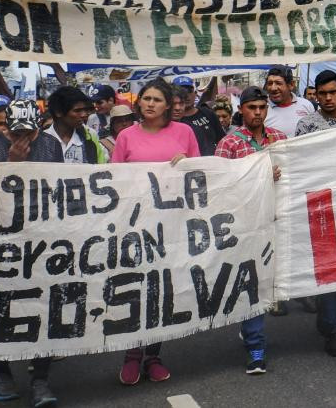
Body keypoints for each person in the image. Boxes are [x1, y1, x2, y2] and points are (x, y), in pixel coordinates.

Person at [110, 77, 201, 385]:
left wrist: (186, 164)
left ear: (168, 105)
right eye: (145, 98)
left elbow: (199, 177)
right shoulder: (125, 136)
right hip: (135, 226)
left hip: (172, 225)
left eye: (156, 99)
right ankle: (132, 354)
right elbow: (112, 182)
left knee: (162, 290)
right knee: (136, 287)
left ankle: (153, 356)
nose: (149, 103)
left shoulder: (185, 132)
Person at [0, 99, 61, 406]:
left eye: (29, 132)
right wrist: (10, 166)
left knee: (43, 306)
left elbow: (59, 191)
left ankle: (40, 379)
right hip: (0, 242)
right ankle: (2, 375)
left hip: (43, 239)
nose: (23, 138)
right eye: (15, 132)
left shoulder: (51, 146)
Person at [215, 85, 286, 374]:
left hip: (278, 219)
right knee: (251, 283)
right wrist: (259, 176)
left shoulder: (281, 140)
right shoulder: (229, 145)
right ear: (241, 110)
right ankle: (256, 346)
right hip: (245, 225)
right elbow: (219, 186)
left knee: (273, 280)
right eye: (252, 108)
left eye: (262, 108)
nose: (258, 113)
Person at [293, 70, 336, 354]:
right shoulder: (306, 125)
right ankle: (334, 329)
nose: (328, 98)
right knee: (331, 265)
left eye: (333, 92)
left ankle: (326, 312)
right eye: (322, 94)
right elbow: (300, 163)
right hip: (321, 203)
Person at [45, 85, 108, 164]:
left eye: (85, 110)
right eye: (77, 111)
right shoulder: (41, 140)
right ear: (58, 112)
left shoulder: (90, 136)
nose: (84, 115)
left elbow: (100, 166)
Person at [172, 76, 225, 157]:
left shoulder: (208, 113)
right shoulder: (172, 122)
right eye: (181, 92)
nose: (186, 95)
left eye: (189, 91)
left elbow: (222, 141)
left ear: (195, 93)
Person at [264, 65, 316, 137]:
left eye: (278, 83)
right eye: (270, 83)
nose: (273, 88)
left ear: (291, 85)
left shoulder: (306, 105)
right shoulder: (261, 109)